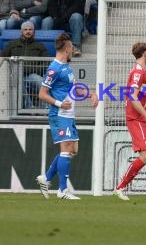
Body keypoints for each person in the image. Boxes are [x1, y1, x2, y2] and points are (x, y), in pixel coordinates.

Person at [35, 33, 98, 200]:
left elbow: (74, 89)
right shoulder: (53, 68)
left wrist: (90, 94)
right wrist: (59, 103)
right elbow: (42, 94)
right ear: (67, 48)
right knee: (66, 149)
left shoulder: (67, 67)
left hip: (69, 115)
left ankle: (47, 178)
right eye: (72, 48)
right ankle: (62, 190)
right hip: (59, 114)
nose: (72, 51)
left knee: (73, 150)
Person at [113, 42, 146, 201]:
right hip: (137, 119)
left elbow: (145, 97)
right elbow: (132, 97)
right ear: (144, 53)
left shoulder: (145, 73)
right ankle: (120, 188)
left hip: (145, 118)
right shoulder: (137, 72)